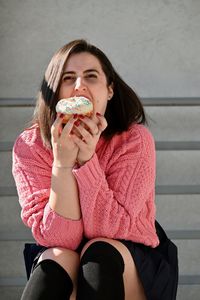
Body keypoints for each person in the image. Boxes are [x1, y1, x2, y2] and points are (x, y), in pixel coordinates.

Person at [12, 39, 178, 300]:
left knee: (99, 251)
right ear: (55, 93)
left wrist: (88, 160)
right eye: (68, 78)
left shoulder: (135, 141)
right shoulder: (30, 145)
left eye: (91, 76)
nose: (79, 86)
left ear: (109, 90)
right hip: (62, 252)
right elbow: (59, 238)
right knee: (56, 261)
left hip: (124, 253)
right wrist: (62, 164)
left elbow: (111, 228)